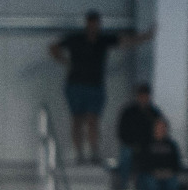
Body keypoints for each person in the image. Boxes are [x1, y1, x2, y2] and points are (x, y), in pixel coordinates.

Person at [50, 10, 153, 162]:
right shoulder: (76, 39)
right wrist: (64, 61)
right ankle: (79, 153)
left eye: (96, 24)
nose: (94, 27)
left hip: (95, 86)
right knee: (77, 119)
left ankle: (93, 152)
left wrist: (145, 37)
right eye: (91, 24)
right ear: (87, 24)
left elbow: (125, 41)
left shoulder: (102, 40)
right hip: (76, 84)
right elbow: (54, 47)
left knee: (93, 119)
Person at [115, 82, 167, 190]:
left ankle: (144, 188)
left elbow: (160, 133)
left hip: (148, 147)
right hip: (130, 146)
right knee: (126, 155)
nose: (143, 98)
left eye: (145, 95)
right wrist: (133, 144)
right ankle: (123, 187)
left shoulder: (154, 113)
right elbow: (121, 132)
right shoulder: (128, 112)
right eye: (141, 95)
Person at [137, 114, 186, 190]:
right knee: (152, 186)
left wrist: (167, 173)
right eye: (158, 127)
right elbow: (142, 165)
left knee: (173, 184)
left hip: (167, 175)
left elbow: (177, 165)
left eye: (163, 127)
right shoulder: (145, 144)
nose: (161, 130)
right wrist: (156, 173)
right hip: (149, 175)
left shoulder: (172, 145)